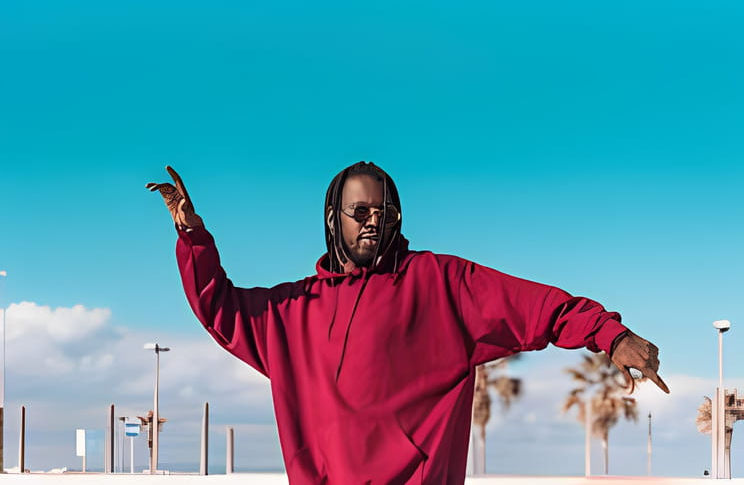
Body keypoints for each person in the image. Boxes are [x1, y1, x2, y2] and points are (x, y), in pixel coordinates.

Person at [148, 162, 669, 484]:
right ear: (334, 218)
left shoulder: (443, 284)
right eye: (360, 211)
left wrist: (611, 334)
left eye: (385, 211)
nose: (374, 219)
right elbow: (220, 308)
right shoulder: (294, 310)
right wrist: (193, 238)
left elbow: (539, 306)